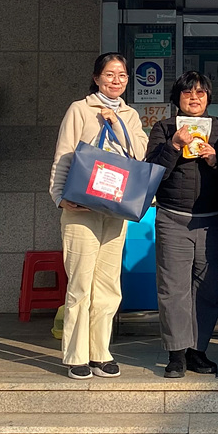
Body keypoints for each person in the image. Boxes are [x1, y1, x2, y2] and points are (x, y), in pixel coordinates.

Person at [48, 52, 148, 380]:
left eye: (122, 75)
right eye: (109, 74)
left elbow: (140, 153)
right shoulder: (80, 109)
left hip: (116, 208)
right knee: (80, 283)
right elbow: (65, 154)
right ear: (96, 78)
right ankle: (76, 355)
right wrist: (59, 196)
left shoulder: (130, 115)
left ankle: (100, 352)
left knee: (108, 283)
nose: (116, 80)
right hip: (81, 207)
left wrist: (116, 122)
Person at [144, 71, 218, 378]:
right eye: (187, 93)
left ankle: (198, 351)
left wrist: (215, 160)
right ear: (177, 98)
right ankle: (176, 354)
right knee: (173, 289)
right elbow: (152, 174)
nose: (194, 98)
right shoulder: (164, 128)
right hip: (172, 217)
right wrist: (172, 145)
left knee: (207, 289)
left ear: (208, 98)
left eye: (200, 93)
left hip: (214, 221)